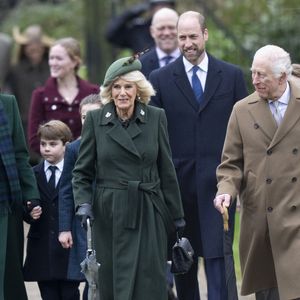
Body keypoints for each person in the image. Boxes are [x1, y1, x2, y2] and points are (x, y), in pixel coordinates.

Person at [149, 10, 248, 300]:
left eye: (193, 36)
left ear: (205, 34)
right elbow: (156, 138)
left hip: (220, 186)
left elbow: (244, 133)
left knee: (219, 260)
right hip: (178, 189)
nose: (187, 43)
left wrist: (241, 184)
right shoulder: (160, 79)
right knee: (183, 259)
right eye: (182, 37)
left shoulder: (230, 76)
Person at [72, 56, 185, 300]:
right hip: (109, 212)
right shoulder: (95, 120)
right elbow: (82, 171)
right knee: (113, 279)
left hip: (148, 209)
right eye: (117, 87)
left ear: (138, 90)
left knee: (149, 279)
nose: (122, 93)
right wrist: (83, 203)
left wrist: (176, 217)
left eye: (128, 86)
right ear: (109, 91)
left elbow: (166, 170)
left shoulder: (156, 117)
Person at [214, 45, 300, 300]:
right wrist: (225, 191)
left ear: (283, 76)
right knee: (270, 292)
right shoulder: (242, 110)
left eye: (262, 75)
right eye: (253, 73)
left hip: (296, 211)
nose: (255, 80)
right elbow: (230, 163)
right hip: (261, 216)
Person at [23, 120, 84, 300]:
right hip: (42, 249)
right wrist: (29, 213)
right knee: (47, 294)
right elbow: (23, 205)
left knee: (70, 294)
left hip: (68, 248)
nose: (46, 149)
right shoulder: (33, 174)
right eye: (43, 144)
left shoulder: (76, 173)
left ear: (66, 145)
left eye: (53, 144)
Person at [58, 94, 102, 300]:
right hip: (84, 222)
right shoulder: (74, 148)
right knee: (89, 275)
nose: (89, 120)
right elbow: (66, 189)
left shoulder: (117, 144)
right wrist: (65, 228)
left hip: (112, 217)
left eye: (94, 115)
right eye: (85, 116)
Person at [27, 37, 100, 159]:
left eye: (59, 58)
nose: (53, 63)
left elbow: (101, 131)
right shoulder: (40, 95)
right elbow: (34, 139)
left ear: (75, 62)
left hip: (88, 164)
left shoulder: (93, 92)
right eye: (51, 58)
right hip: (55, 167)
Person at [0, 93, 40, 300]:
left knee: (8, 278)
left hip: (5, 203)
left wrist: (31, 196)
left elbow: (19, 156)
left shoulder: (7, 103)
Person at [5, 25, 53, 137]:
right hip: (24, 125)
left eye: (38, 44)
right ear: (23, 47)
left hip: (50, 124)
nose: (34, 48)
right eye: (30, 45)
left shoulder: (53, 67)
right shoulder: (15, 70)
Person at [105, 0, 176, 53]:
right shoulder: (139, 31)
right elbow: (111, 34)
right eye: (159, 6)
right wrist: (132, 13)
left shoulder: (179, 28)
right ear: (151, 8)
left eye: (166, 5)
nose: (163, 10)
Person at [140, 7, 180, 79]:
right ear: (152, 31)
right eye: (161, 28)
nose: (167, 33)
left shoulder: (192, 60)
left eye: (171, 27)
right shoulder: (141, 65)